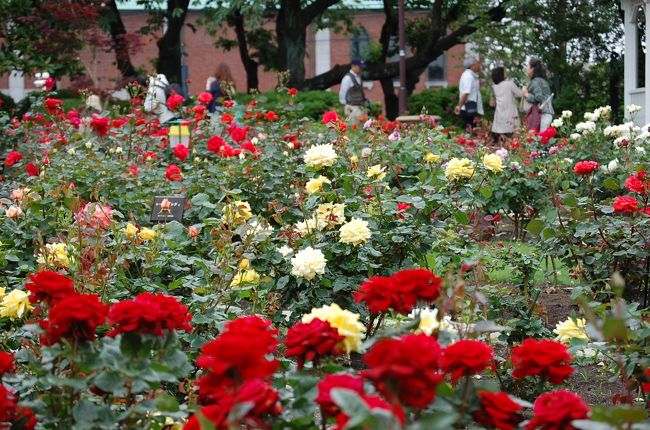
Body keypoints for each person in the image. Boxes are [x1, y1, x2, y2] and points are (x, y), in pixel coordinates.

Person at [490, 67, 522, 140]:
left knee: (502, 136)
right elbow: (520, 94)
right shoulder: (509, 84)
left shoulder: (494, 87)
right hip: (511, 113)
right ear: (501, 74)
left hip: (499, 114)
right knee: (513, 135)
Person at [522, 58, 554, 131]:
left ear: (532, 69)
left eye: (528, 67)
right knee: (543, 139)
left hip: (542, 114)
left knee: (539, 139)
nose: (527, 69)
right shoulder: (543, 80)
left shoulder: (535, 81)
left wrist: (526, 94)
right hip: (547, 113)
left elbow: (539, 98)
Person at [454, 56, 484, 130]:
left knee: (473, 131)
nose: (479, 65)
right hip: (469, 109)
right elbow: (466, 93)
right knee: (472, 132)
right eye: (477, 63)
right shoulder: (468, 77)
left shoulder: (470, 76)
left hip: (470, 108)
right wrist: (459, 106)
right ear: (473, 65)